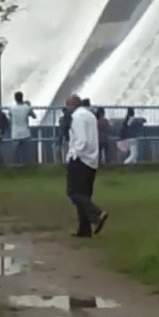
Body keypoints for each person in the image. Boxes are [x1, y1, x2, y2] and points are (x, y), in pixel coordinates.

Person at [65, 95, 107, 238]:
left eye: (67, 105)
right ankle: (84, 230)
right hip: (92, 159)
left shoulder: (77, 117)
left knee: (73, 193)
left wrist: (73, 155)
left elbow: (81, 140)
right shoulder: (90, 115)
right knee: (84, 194)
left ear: (72, 104)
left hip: (80, 159)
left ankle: (97, 214)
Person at [9, 91, 36, 165]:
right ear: (22, 98)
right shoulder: (27, 107)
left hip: (15, 133)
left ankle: (17, 167)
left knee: (16, 153)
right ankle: (27, 167)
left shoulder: (11, 108)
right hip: (25, 133)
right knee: (26, 153)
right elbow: (34, 116)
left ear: (15, 99)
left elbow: (10, 115)